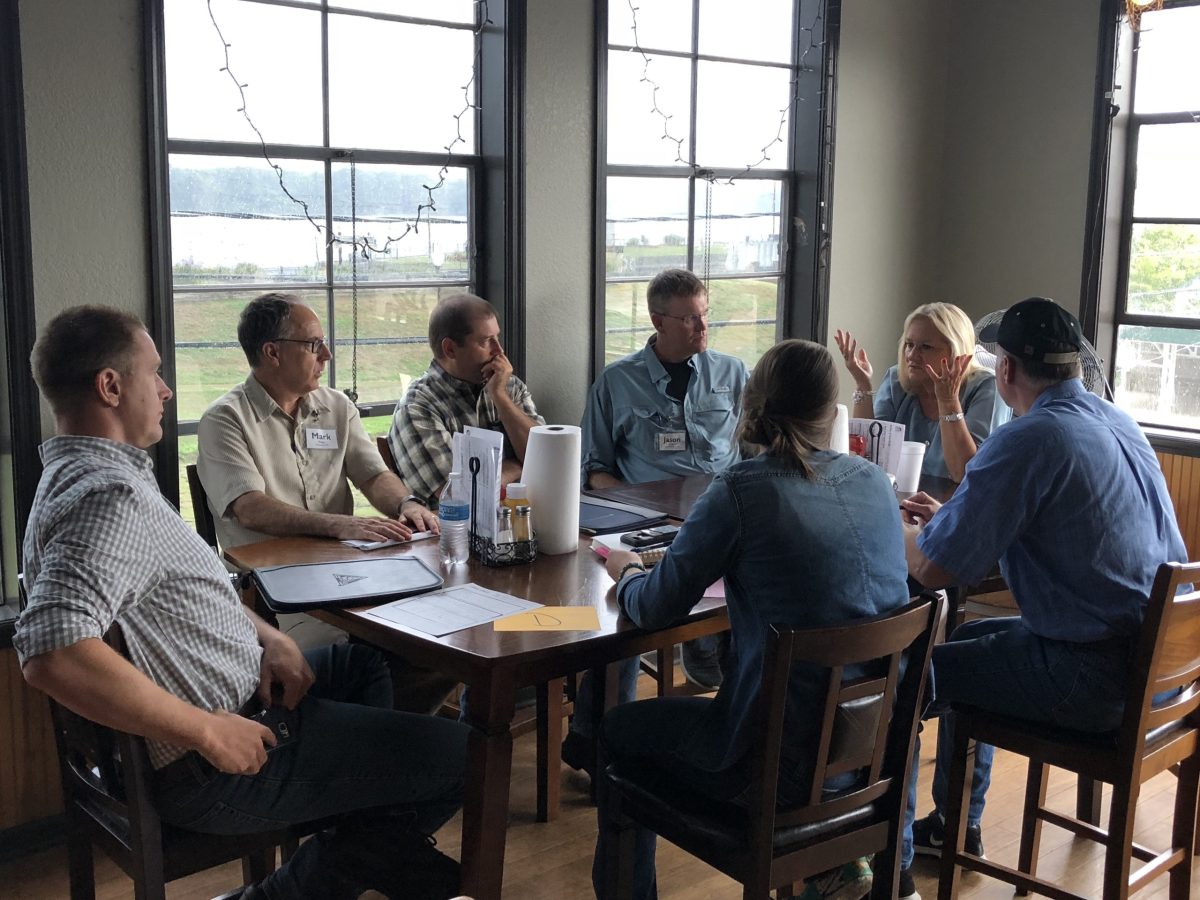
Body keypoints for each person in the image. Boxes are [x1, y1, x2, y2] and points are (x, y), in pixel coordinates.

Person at [16, 305, 469, 899]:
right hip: (223, 756)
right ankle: (316, 878)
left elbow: (191, 585)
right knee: (471, 755)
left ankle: (361, 842)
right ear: (109, 386)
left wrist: (269, 636)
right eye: (153, 373)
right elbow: (50, 651)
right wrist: (207, 730)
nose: (165, 388)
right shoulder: (107, 498)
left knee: (368, 664)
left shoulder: (75, 475)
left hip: (253, 691)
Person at [591, 339, 912, 900]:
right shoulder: (872, 483)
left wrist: (627, 570)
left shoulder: (739, 489)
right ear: (830, 411)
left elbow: (655, 608)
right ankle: (827, 864)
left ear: (750, 403)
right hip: (868, 755)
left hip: (770, 766)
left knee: (615, 730)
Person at [897, 298, 1188, 889]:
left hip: (1097, 680)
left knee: (909, 674)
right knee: (971, 638)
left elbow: (930, 569)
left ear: (1004, 371)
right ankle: (956, 824)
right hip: (1166, 676)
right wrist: (951, 520)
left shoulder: (1031, 438)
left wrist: (890, 526)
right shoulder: (1117, 420)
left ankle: (887, 857)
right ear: (1077, 366)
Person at [197, 292, 455, 714]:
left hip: (348, 571)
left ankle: (395, 736)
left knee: (445, 630)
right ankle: (384, 740)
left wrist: (405, 503)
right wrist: (339, 524)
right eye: (314, 345)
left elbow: (373, 475)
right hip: (274, 590)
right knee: (386, 648)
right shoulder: (225, 419)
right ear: (272, 352)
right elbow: (249, 507)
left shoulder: (336, 406)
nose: (328, 355)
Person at [575, 267, 750, 735]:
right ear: (658, 321)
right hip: (646, 526)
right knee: (623, 615)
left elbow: (757, 451)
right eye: (690, 319)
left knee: (759, 591)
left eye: (706, 315)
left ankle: (737, 722)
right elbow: (594, 470)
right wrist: (636, 508)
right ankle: (598, 737)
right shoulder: (616, 382)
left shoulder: (733, 373)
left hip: (723, 519)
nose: (702, 327)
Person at [388, 293, 544, 506]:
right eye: (486, 341)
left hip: (521, 521)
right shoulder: (418, 405)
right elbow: (456, 494)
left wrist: (500, 398)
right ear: (450, 349)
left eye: (497, 338)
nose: (499, 351)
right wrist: (518, 465)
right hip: (452, 533)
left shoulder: (509, 386)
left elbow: (544, 462)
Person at [834, 302, 1010, 482]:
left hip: (957, 503)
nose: (911, 355)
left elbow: (964, 473)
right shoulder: (897, 379)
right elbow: (868, 453)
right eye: (909, 344)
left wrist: (948, 401)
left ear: (956, 352)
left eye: (926, 347)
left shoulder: (986, 387)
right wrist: (863, 384)